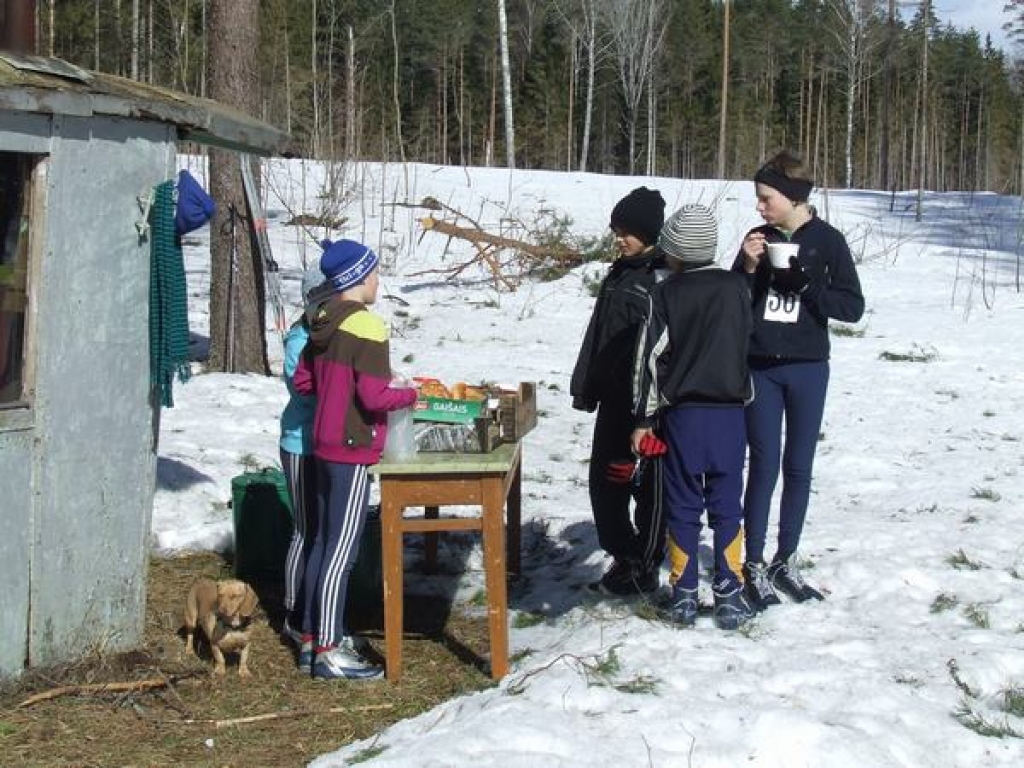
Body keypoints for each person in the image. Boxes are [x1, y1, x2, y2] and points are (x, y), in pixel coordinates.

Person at [732, 151, 865, 611]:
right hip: (761, 367)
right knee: (763, 464)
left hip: (809, 367)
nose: (760, 207)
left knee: (799, 466)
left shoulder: (829, 242)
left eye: (766, 198)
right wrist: (748, 268)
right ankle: (752, 562)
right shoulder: (757, 239)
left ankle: (785, 559)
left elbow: (852, 308)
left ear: (791, 197)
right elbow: (731, 304)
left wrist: (805, 286)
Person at [293, 238, 418, 680]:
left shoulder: (321, 320)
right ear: (358, 279)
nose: (378, 282)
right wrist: (411, 394)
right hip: (351, 445)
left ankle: (312, 635)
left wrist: (335, 393)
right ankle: (328, 651)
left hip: (322, 442)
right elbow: (373, 394)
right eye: (375, 274)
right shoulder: (366, 326)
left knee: (323, 542)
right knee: (341, 549)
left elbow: (304, 382)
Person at [631, 204, 754, 630]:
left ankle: (683, 592)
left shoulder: (664, 295)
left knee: (683, 502)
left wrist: (643, 418)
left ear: (675, 251)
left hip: (683, 414)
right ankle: (730, 591)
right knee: (726, 502)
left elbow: (648, 361)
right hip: (732, 415)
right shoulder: (738, 288)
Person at [570, 186, 669, 596]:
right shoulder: (619, 272)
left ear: (647, 232)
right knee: (605, 482)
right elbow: (599, 334)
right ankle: (624, 554)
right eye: (616, 229)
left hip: (645, 407)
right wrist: (585, 385)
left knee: (644, 487)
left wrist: (652, 411)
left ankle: (644, 563)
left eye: (626, 230)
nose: (618, 237)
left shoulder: (662, 277)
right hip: (612, 400)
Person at [278, 262, 333, 672]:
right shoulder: (299, 341)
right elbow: (307, 394)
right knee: (306, 528)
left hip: (331, 446)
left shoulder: (332, 336)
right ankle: (295, 613)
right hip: (302, 445)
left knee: (326, 531)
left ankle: (319, 609)